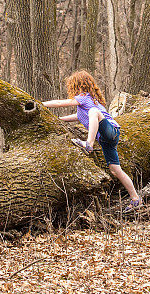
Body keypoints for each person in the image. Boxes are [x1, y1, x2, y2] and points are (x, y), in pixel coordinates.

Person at [43, 70, 142, 211]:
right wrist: (59, 120)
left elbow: (60, 103)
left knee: (93, 112)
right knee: (115, 170)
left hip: (111, 131)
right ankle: (135, 198)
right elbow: (78, 117)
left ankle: (88, 143)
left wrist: (41, 104)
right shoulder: (90, 102)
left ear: (78, 85)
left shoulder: (84, 97)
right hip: (106, 140)